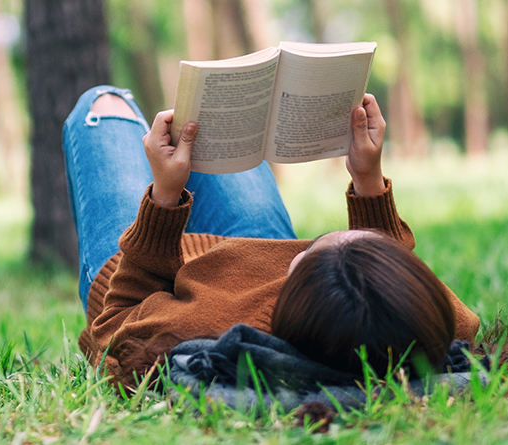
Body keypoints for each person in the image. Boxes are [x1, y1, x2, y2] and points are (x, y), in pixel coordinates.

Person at [64, 86, 480, 389]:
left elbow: (115, 327)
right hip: (254, 248)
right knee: (218, 120)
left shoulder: (204, 330)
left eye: (311, 250)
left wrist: (164, 198)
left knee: (103, 104)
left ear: (294, 290)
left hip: (144, 270)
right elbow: (385, 283)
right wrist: (367, 179)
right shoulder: (426, 325)